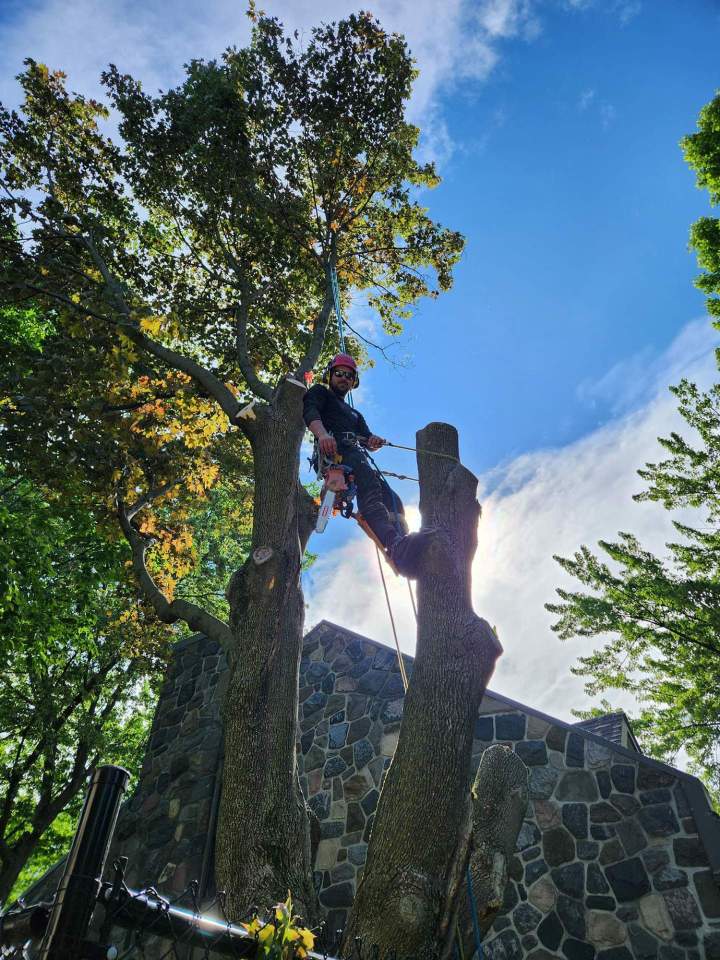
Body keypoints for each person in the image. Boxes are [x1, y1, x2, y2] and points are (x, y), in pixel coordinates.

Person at [303, 353, 432, 577]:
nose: (343, 378)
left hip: (357, 457)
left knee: (394, 500)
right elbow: (310, 412)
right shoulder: (320, 393)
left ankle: (401, 544)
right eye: (339, 374)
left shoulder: (355, 414)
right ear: (330, 375)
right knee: (371, 491)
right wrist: (323, 434)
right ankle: (395, 544)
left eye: (349, 376)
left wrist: (374, 441)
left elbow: (366, 438)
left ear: (354, 382)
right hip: (336, 454)